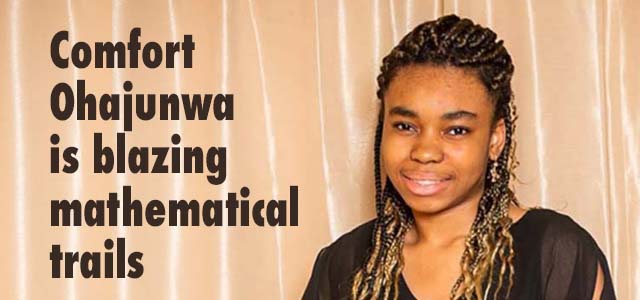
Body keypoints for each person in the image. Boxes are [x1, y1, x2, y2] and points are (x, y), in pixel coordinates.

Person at [302, 14, 616, 300]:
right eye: (405, 126)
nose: (424, 152)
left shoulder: (554, 254)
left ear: (495, 139)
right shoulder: (344, 264)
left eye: (455, 130)